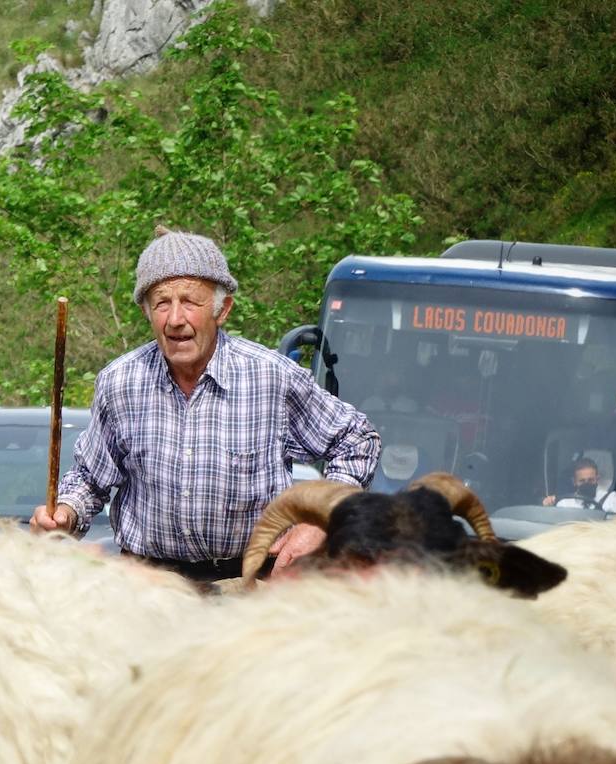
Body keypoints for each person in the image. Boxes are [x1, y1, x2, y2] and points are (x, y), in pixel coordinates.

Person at [30, 227, 380, 586]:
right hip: (146, 590)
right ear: (147, 311)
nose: (175, 319)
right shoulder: (120, 383)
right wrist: (66, 513)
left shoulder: (270, 378)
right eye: (162, 303)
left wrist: (319, 521)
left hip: (250, 588)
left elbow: (358, 441)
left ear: (222, 309)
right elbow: (90, 478)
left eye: (190, 301)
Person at [542, 457, 616, 515]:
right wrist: (547, 506)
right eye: (582, 481)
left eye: (590, 480)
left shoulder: (611, 500)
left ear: (597, 479)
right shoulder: (564, 504)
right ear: (574, 482)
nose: (587, 483)